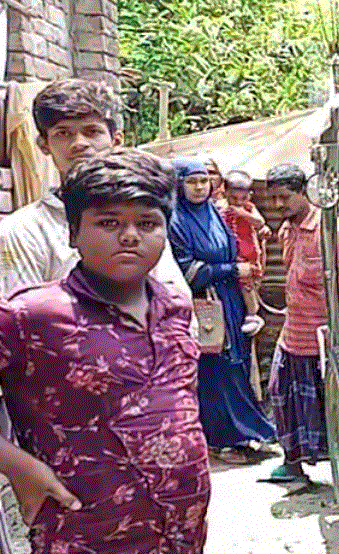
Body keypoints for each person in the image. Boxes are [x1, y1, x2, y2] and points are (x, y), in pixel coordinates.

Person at [0, 149, 210, 553]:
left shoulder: (175, 306)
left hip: (182, 529)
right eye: (108, 223)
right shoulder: (31, 315)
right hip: (84, 530)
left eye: (147, 223)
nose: (130, 236)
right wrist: (18, 467)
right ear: (73, 234)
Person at [0, 78, 193, 302]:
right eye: (63, 133)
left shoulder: (140, 218)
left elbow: (176, 302)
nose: (79, 143)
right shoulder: (23, 231)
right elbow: (21, 315)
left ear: (116, 140)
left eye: (92, 131)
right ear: (44, 145)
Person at [169, 157, 276, 465]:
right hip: (206, 306)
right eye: (192, 182)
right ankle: (222, 441)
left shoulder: (216, 213)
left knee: (238, 367)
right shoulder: (175, 222)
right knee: (216, 372)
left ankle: (249, 433)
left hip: (232, 301)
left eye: (204, 181)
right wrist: (231, 269)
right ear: (179, 185)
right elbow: (186, 271)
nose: (199, 187)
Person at [265, 163, 339, 482]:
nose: (278, 205)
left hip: (323, 339)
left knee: (333, 411)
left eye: (284, 197)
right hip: (292, 333)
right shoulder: (286, 230)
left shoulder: (335, 234)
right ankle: (293, 465)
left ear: (305, 192)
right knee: (282, 397)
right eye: (274, 199)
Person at [218, 170, 269, 335]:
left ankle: (253, 314)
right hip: (230, 255)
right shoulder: (220, 208)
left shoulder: (249, 208)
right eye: (234, 198)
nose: (239, 202)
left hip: (248, 253)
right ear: (225, 193)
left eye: (243, 198)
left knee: (247, 284)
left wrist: (243, 214)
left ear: (250, 196)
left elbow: (260, 222)